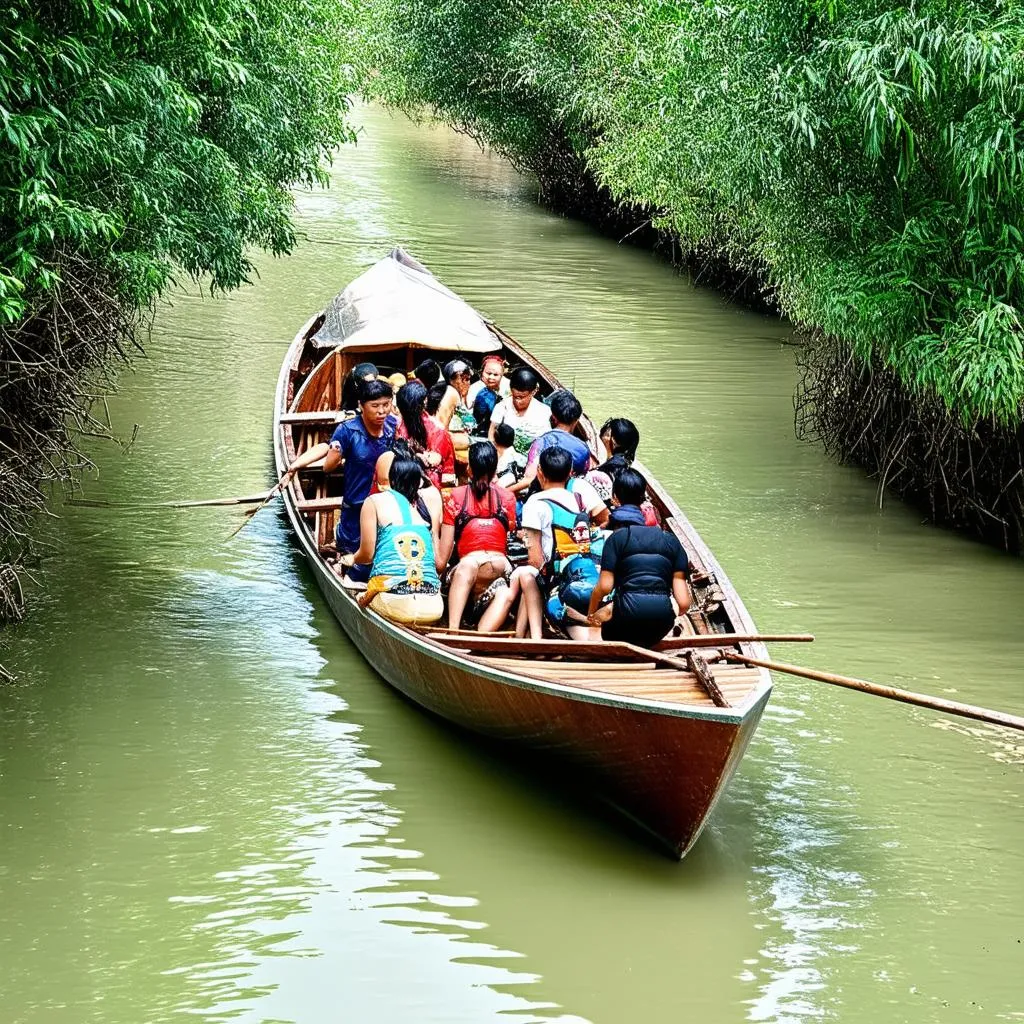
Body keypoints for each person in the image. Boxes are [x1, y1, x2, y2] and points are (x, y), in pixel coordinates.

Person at [281, 378, 396, 569]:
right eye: (375, 406)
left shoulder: (392, 426)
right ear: (361, 406)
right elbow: (328, 468)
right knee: (355, 555)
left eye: (386, 404)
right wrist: (334, 453)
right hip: (356, 504)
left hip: (386, 502)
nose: (382, 411)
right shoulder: (347, 430)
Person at [586, 468, 691, 648]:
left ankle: (598, 646)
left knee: (599, 621)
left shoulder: (616, 539)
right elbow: (683, 603)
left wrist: (592, 612)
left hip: (622, 622)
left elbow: (604, 587)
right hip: (661, 623)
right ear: (643, 498)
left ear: (615, 497)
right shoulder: (671, 541)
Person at [515, 446, 607, 640]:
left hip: (561, 582)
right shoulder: (579, 497)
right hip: (592, 574)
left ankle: (534, 638)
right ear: (569, 473)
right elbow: (604, 518)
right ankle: (525, 637)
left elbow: (535, 559)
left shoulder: (535, 502)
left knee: (528, 577)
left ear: (539, 471)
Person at [339, 455, 444, 625]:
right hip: (434, 607)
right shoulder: (422, 514)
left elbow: (367, 555)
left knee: (361, 594)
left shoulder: (373, 501)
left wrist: (352, 558)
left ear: (392, 479)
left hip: (395, 603)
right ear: (417, 483)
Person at [436, 441, 518, 631]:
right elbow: (510, 536)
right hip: (500, 567)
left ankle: (454, 630)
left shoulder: (454, 496)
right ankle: (481, 637)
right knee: (504, 592)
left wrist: (433, 532)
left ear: (470, 470)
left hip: (469, 567)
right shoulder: (508, 498)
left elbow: (442, 560)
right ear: (495, 470)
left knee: (468, 565)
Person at [516, 389, 593, 495]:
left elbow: (528, 480)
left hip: (541, 496)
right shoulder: (583, 448)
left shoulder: (541, 442)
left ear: (553, 417)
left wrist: (505, 491)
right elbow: (583, 476)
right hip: (570, 497)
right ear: (576, 420)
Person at [385, 381, 455, 488]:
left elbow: (440, 461)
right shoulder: (398, 424)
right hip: (404, 476)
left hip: (428, 482)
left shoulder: (436, 430)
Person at [488, 367, 550, 463]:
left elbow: (547, 442)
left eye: (522, 397)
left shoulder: (544, 411)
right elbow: (491, 435)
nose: (517, 401)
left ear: (533, 392)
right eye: (515, 396)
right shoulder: (501, 407)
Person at [437, 359, 474, 453]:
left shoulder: (459, 394)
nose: (467, 383)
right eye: (463, 379)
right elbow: (440, 432)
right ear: (450, 379)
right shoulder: (451, 393)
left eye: (468, 379)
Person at [467, 354, 509, 436]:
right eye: (488, 373)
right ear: (481, 372)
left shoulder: (509, 386)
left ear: (502, 375)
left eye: (495, 375)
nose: (491, 377)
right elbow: (467, 410)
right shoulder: (474, 388)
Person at [493, 421, 527, 490]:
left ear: (495, 441)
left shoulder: (500, 462)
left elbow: (499, 487)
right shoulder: (521, 457)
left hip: (503, 493)